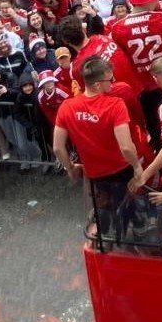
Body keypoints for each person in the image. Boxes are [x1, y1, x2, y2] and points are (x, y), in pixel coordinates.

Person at [52, 56, 148, 244]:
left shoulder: (67, 107)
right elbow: (126, 147)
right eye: (109, 80)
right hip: (121, 170)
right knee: (129, 202)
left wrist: (71, 168)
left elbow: (57, 148)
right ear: (97, 84)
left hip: (95, 173)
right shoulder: (115, 105)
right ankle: (137, 231)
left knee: (104, 205)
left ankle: (108, 235)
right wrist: (137, 167)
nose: (112, 83)